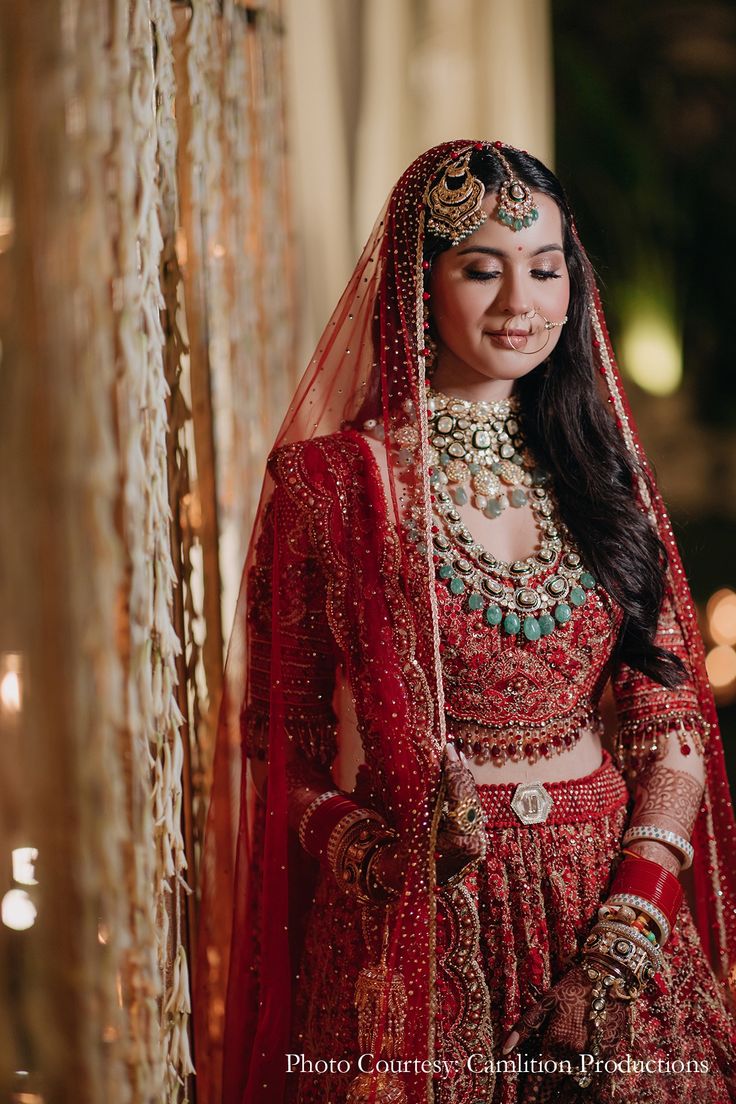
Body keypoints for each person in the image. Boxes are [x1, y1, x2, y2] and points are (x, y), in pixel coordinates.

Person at [193, 140, 736, 1104]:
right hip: (413, 925)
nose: (520, 303)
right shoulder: (331, 487)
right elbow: (279, 742)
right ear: (419, 286)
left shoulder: (605, 478)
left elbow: (672, 724)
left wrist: (627, 934)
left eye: (546, 267)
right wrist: (380, 854)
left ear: (574, 284)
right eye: (482, 269)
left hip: (611, 910)